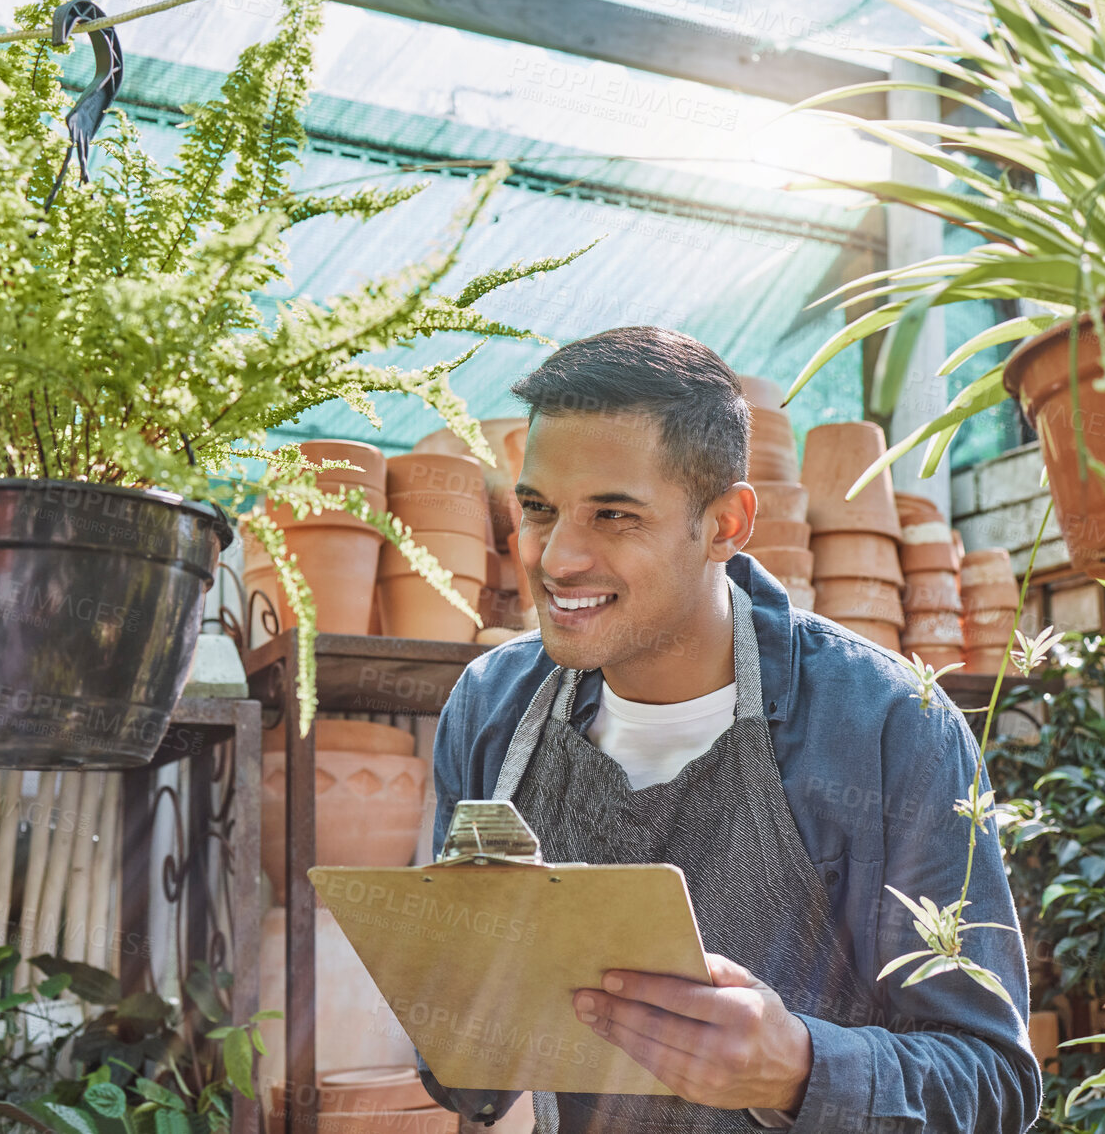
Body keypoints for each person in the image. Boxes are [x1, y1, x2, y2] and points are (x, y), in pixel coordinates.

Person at [412, 327, 1040, 1133]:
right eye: (538, 509)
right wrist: (463, 1000)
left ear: (726, 524)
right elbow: (462, 1068)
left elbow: (992, 1082)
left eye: (613, 515)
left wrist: (798, 1069)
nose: (557, 559)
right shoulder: (491, 708)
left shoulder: (887, 726)